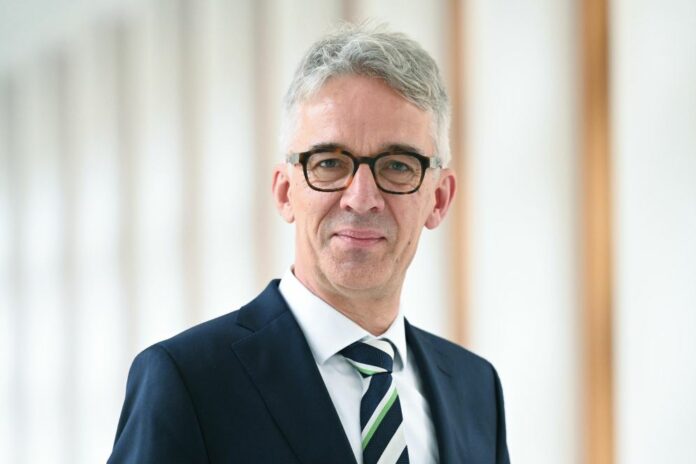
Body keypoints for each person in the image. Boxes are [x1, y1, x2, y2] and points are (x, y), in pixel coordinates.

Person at [109, 23, 510, 464]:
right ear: (285, 192)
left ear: (439, 199)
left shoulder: (477, 389)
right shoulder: (187, 381)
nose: (361, 198)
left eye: (397, 165)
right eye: (330, 163)